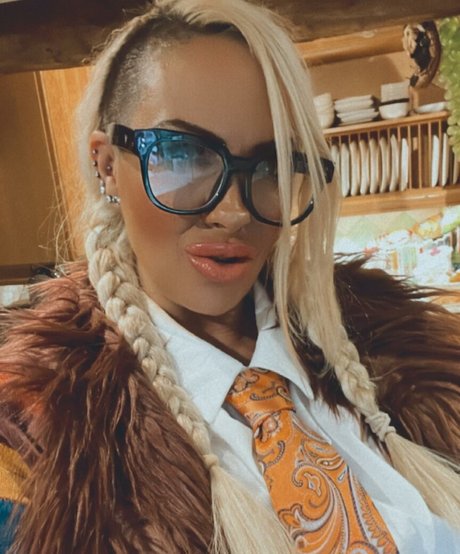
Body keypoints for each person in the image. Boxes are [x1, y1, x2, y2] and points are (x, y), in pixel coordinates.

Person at [0, 0, 459, 552]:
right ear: (107, 165)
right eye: (183, 155)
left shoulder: (395, 350)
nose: (234, 212)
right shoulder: (36, 440)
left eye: (269, 166)